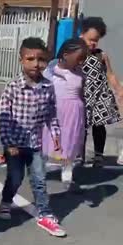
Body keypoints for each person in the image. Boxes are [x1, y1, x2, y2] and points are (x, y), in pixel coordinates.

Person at [0, 37, 66, 237]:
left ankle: (45, 214)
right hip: (14, 145)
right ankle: (5, 202)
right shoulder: (13, 86)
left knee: (39, 178)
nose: (36, 64)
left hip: (35, 144)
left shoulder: (48, 87)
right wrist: (8, 142)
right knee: (16, 177)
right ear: (21, 60)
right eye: (30, 59)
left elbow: (51, 114)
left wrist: (56, 135)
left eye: (41, 59)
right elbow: (3, 117)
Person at [42, 38, 88, 190]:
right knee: (49, 139)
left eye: (83, 59)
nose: (81, 62)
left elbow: (81, 93)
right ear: (66, 54)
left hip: (74, 113)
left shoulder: (79, 73)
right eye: (79, 58)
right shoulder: (51, 70)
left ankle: (67, 172)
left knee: (70, 142)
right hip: (56, 111)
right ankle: (39, 168)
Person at [79, 17, 123, 167]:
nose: (93, 43)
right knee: (81, 126)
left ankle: (98, 155)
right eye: (90, 39)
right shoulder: (74, 53)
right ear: (82, 34)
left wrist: (119, 90)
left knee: (99, 125)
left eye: (96, 40)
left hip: (99, 95)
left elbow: (110, 74)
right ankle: (79, 155)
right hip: (82, 95)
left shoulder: (101, 55)